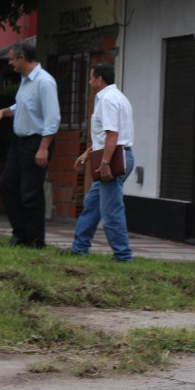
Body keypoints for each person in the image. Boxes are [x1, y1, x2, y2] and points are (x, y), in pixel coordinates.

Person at [0, 41, 60, 248]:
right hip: (19, 141)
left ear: (22, 58)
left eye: (12, 59)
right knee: (8, 185)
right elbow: (22, 105)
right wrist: (4, 111)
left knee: (31, 192)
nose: (10, 62)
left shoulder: (45, 82)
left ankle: (36, 240)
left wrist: (44, 147)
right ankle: (20, 234)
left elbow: (53, 118)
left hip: (37, 142)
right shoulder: (25, 81)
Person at [70, 63, 135, 262]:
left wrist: (105, 163)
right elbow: (107, 136)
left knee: (111, 212)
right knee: (91, 205)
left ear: (99, 79)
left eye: (91, 78)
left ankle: (123, 256)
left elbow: (112, 134)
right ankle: (79, 249)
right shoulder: (118, 97)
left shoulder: (107, 100)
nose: (89, 82)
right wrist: (89, 154)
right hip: (116, 155)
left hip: (113, 159)